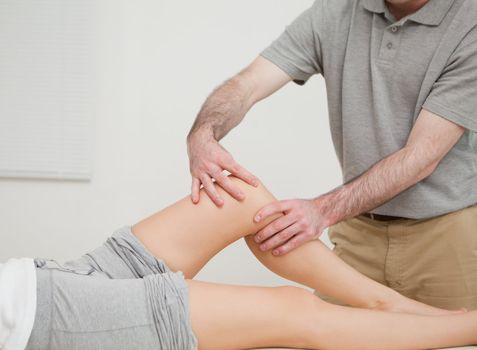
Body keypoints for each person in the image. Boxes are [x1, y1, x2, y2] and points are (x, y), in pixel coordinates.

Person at [0, 177, 477, 350]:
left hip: (37, 280)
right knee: (291, 312)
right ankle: (464, 328)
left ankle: (387, 303)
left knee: (244, 198)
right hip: (45, 323)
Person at [186, 0, 477, 310]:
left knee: (457, 336)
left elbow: (420, 157)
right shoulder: (336, 10)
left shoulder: (469, 22)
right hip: (357, 231)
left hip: (446, 238)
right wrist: (203, 134)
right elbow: (249, 83)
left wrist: (322, 210)